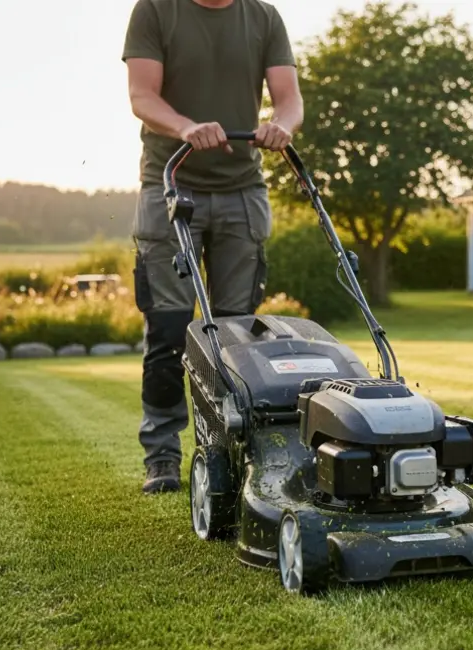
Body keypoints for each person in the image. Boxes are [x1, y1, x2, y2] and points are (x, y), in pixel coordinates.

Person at [122, 0, 304, 494]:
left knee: (237, 335)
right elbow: (141, 94)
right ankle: (161, 455)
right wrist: (186, 127)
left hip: (242, 191)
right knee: (167, 328)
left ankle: (232, 450)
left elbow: (288, 97)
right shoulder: (157, 11)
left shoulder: (263, 16)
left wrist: (282, 125)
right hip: (171, 184)